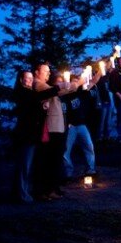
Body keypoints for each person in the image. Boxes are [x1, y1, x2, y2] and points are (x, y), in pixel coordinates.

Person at [12, 70, 60, 203]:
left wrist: (43, 107)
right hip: (26, 135)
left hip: (32, 135)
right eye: (27, 78)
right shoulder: (23, 93)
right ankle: (22, 195)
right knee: (24, 165)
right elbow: (38, 97)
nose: (30, 80)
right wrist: (58, 87)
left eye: (31, 78)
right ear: (21, 80)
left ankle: (24, 192)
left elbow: (35, 109)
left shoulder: (29, 94)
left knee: (27, 164)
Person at [33, 63, 79, 199]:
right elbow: (56, 91)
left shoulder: (46, 86)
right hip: (51, 128)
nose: (48, 73)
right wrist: (66, 84)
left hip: (57, 127)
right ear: (37, 72)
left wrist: (77, 83)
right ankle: (48, 189)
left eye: (49, 71)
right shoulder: (38, 84)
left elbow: (61, 91)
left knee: (56, 158)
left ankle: (53, 187)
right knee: (51, 159)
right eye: (45, 71)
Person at [62, 69, 101, 178]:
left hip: (82, 125)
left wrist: (101, 69)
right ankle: (68, 173)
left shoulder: (82, 92)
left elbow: (93, 81)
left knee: (89, 147)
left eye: (77, 81)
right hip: (70, 126)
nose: (76, 84)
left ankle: (91, 170)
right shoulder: (65, 95)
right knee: (66, 150)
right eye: (74, 81)